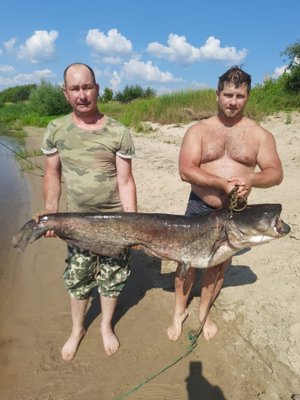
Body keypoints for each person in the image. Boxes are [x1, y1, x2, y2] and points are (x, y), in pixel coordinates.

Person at [167, 66, 283, 342]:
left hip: (236, 212)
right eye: (228, 94)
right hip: (199, 206)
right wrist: (222, 183)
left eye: (240, 96)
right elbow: (186, 170)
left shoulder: (259, 135)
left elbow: (275, 173)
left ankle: (204, 311)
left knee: (217, 266)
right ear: (217, 95)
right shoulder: (200, 130)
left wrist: (252, 179)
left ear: (248, 97)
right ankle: (179, 311)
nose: (233, 101)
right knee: (186, 263)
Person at [40, 62, 137, 361]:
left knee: (113, 276)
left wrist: (133, 222)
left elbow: (125, 180)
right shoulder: (55, 129)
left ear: (97, 88)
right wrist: (50, 212)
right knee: (78, 276)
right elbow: (52, 174)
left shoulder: (119, 131)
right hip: (77, 221)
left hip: (115, 221)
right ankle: (77, 328)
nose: (82, 94)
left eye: (87, 87)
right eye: (75, 89)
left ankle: (105, 325)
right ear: (65, 93)